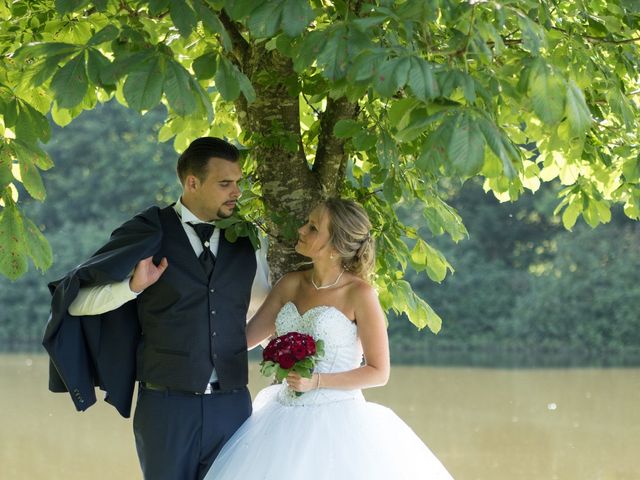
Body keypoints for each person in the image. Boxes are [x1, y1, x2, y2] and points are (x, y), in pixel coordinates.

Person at [42, 137, 270, 480]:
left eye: (238, 182)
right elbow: (74, 302)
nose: (236, 192)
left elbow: (262, 306)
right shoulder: (148, 230)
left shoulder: (247, 240)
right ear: (192, 182)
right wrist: (131, 287)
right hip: (167, 409)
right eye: (225, 184)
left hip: (233, 405)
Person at [204, 198, 454, 480]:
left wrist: (318, 382)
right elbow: (245, 339)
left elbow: (379, 372)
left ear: (336, 246)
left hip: (339, 422)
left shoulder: (359, 294)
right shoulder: (291, 283)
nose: (301, 229)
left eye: (313, 227)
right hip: (281, 418)